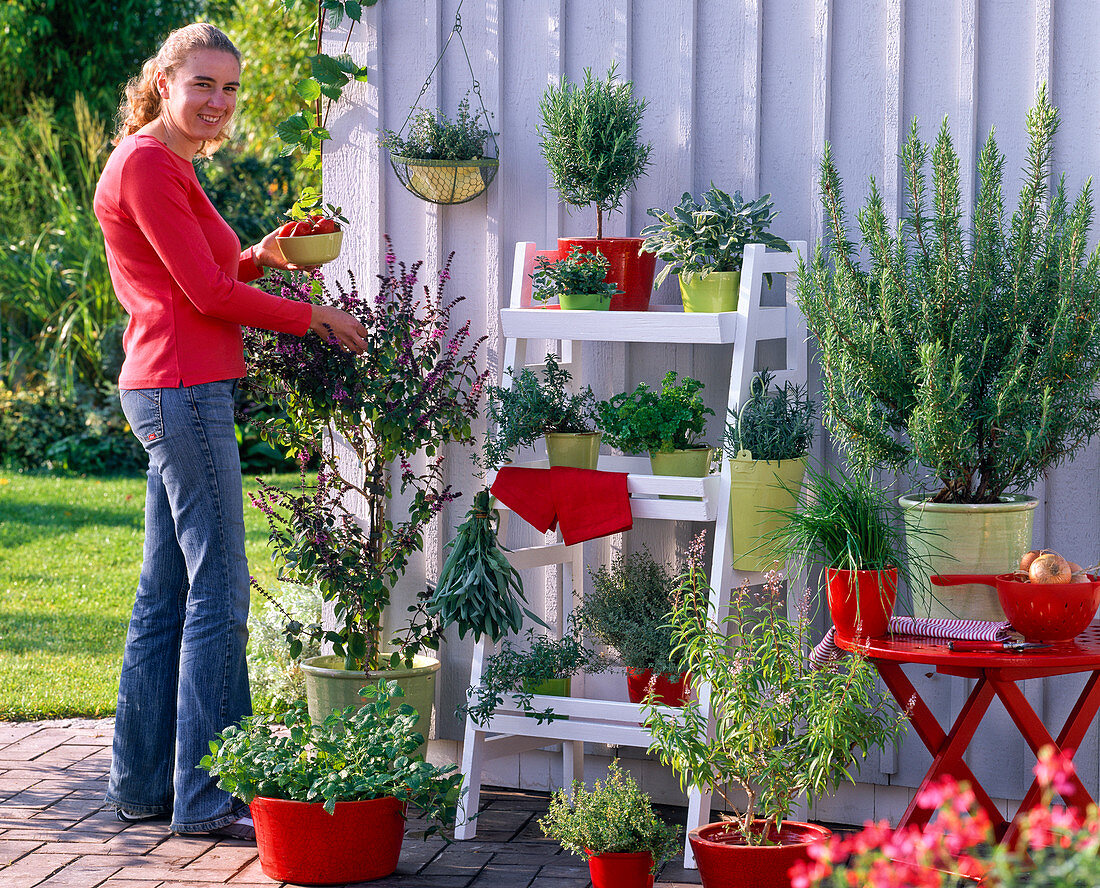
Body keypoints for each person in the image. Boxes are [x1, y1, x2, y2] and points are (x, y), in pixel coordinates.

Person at [93, 22, 367, 839]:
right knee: (218, 591)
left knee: (166, 593)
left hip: (174, 384)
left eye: (231, 89)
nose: (219, 102)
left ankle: (143, 786)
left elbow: (207, 276)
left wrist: (266, 256)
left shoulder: (166, 163)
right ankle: (210, 796)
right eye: (204, 84)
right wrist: (310, 317)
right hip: (182, 387)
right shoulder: (147, 164)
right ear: (164, 81)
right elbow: (206, 300)